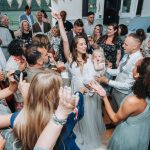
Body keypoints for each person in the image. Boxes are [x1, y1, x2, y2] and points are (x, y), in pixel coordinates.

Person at [52, 11, 105, 150]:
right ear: (75, 46)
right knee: (78, 115)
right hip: (77, 90)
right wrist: (60, 21)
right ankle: (79, 134)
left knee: (90, 115)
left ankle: (90, 137)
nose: (83, 46)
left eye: (84, 43)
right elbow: (64, 40)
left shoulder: (90, 58)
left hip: (90, 92)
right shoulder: (70, 59)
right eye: (81, 44)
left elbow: (98, 73)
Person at [0, 70, 84, 150]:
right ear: (59, 94)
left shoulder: (21, 117)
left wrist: (27, 99)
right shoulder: (70, 113)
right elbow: (79, 100)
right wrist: (80, 92)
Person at [89, 57, 150, 150]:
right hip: (144, 134)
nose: (132, 68)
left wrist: (104, 97)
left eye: (134, 67)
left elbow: (114, 119)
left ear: (137, 74)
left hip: (129, 138)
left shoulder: (133, 101)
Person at [96, 33, 143, 111]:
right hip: (115, 88)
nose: (123, 46)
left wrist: (107, 81)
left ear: (135, 46)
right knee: (114, 110)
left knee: (121, 115)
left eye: (126, 44)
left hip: (123, 94)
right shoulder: (126, 55)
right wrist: (104, 68)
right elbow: (118, 71)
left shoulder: (138, 61)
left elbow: (128, 85)